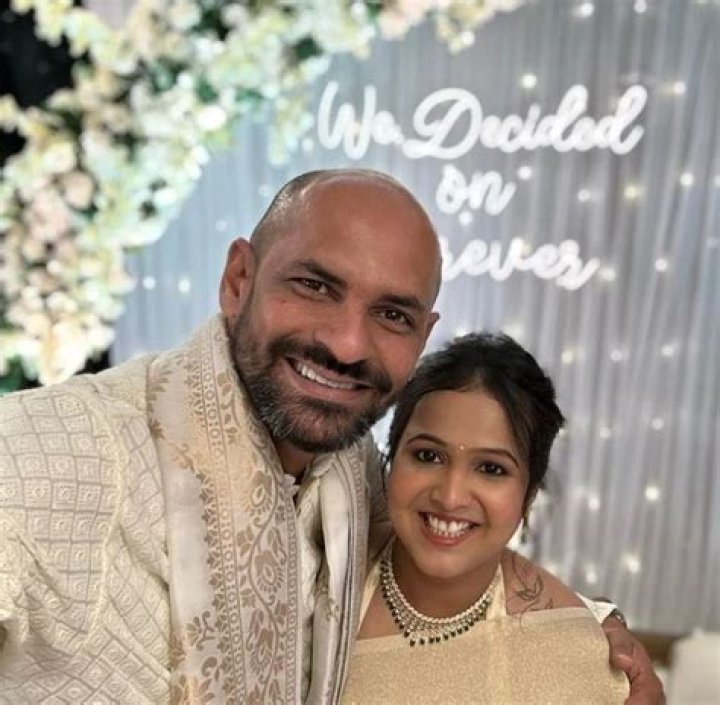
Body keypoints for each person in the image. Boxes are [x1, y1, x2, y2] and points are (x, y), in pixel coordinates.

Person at [0, 169, 663, 704]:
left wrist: (587, 624)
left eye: (392, 314)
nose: (348, 344)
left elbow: (442, 541)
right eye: (315, 285)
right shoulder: (60, 448)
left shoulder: (347, 463)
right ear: (238, 280)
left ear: (422, 335)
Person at [343, 332, 629, 703]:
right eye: (428, 456)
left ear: (528, 496)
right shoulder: (324, 578)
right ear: (391, 460)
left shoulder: (571, 656)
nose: (450, 496)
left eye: (491, 468)